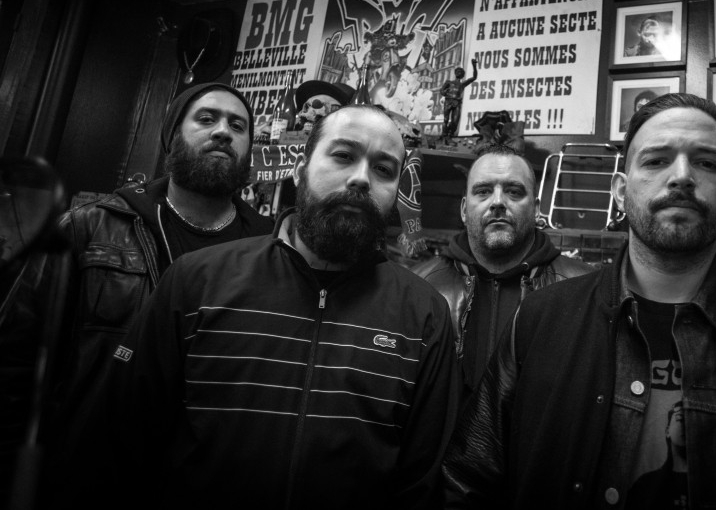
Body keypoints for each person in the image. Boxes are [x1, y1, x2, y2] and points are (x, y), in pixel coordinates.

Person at [442, 93, 716, 509]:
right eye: (657, 160)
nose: (682, 176)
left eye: (706, 163)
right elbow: (468, 480)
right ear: (621, 192)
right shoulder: (537, 322)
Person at [103, 104, 460, 508]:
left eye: (383, 169)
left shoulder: (423, 313)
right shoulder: (196, 280)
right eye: (343, 155)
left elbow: (422, 479)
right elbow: (125, 436)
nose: (361, 178)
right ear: (300, 170)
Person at [0, 83, 275, 504]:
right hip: (90, 474)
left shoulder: (270, 249)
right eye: (206, 119)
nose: (223, 131)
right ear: (172, 136)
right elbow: (16, 359)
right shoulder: (92, 226)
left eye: (238, 126)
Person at [411, 145, 592, 405]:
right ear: (464, 210)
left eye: (514, 191)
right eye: (483, 191)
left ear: (536, 209)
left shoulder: (583, 289)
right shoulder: (420, 286)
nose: (497, 202)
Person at [440, 57, 478, 145]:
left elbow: (474, 77)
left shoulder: (462, 84)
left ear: (462, 75)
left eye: (460, 71)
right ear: (455, 73)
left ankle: (450, 135)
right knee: (446, 119)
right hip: (448, 102)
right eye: (457, 71)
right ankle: (444, 136)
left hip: (457, 103)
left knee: (455, 121)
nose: (459, 72)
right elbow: (441, 91)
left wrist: (474, 66)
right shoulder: (448, 82)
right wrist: (445, 93)